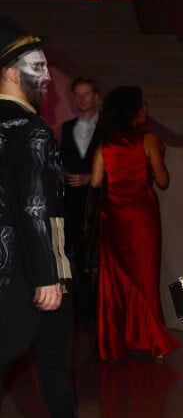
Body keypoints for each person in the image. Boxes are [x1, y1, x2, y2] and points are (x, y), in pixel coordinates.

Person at [0, 17, 114, 418]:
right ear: (10, 71)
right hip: (31, 270)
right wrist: (49, 276)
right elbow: (33, 207)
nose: (47, 76)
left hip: (15, 263)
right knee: (35, 355)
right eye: (37, 66)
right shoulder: (30, 130)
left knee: (52, 355)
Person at [90, 86, 179, 362]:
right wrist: (157, 160)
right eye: (142, 105)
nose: (146, 110)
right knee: (146, 277)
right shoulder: (148, 139)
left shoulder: (105, 143)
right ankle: (153, 341)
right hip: (141, 217)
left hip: (113, 217)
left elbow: (94, 182)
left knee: (114, 278)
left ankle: (115, 342)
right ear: (133, 110)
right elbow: (163, 181)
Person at [60, 77, 100, 322]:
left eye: (86, 94)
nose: (81, 98)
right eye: (77, 94)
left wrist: (90, 178)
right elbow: (63, 160)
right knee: (74, 251)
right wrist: (63, 172)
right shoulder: (67, 127)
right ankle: (81, 310)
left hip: (98, 199)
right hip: (72, 200)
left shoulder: (107, 126)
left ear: (96, 96)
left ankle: (97, 309)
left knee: (96, 254)